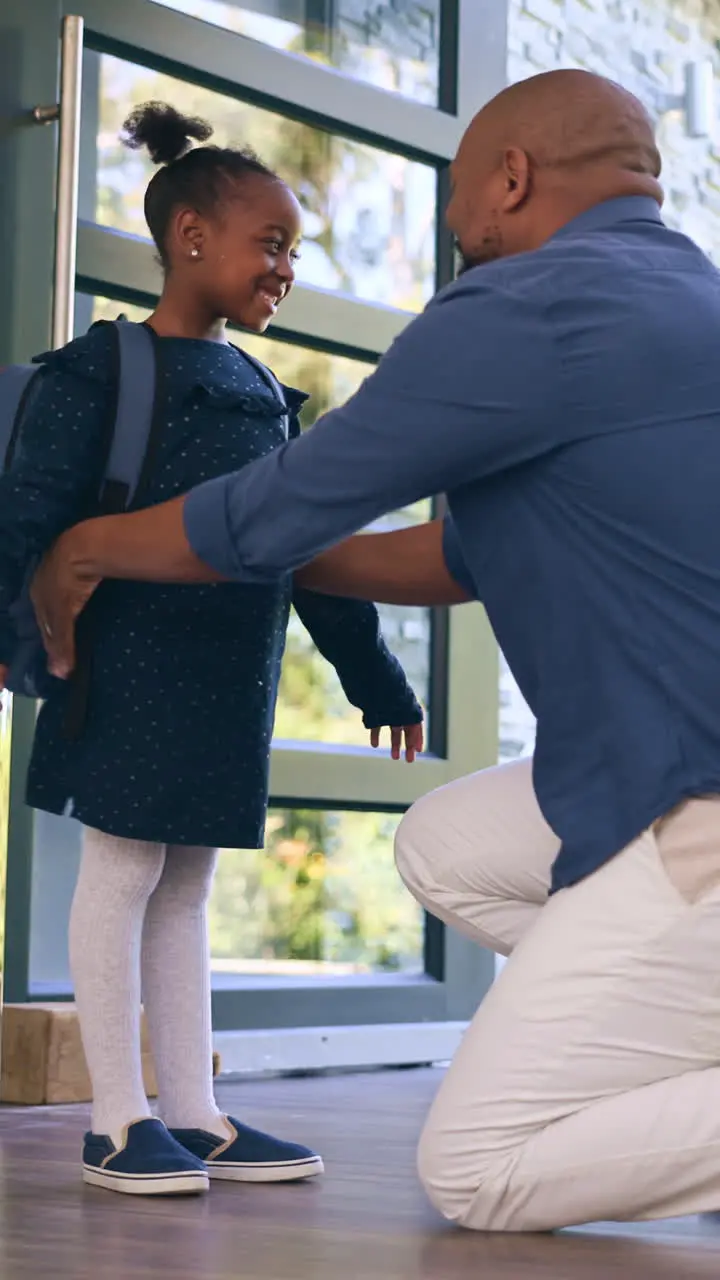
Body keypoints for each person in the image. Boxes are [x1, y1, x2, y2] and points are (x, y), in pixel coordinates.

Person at [30, 67, 720, 1230]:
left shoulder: (526, 306)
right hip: (649, 768)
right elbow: (453, 558)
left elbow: (277, 511)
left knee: (477, 1169)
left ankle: (667, 1071)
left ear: (510, 180)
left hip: (689, 798)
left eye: (460, 232)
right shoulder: (681, 298)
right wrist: (225, 546)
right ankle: (670, 1027)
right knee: (446, 841)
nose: (463, 256)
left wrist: (96, 546)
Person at [0, 101, 424, 1197]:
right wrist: (15, 646)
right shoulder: (103, 370)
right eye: (271, 243)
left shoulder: (271, 401)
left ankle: (191, 1110)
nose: (286, 267)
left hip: (225, 686)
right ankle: (114, 1118)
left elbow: (310, 549)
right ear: (191, 237)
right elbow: (26, 517)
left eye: (293, 249)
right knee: (127, 868)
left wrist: (373, 675)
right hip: (123, 673)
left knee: (185, 886)